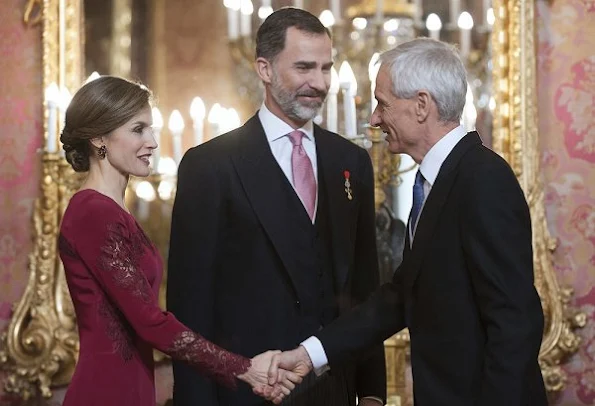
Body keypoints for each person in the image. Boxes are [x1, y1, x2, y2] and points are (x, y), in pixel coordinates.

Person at [266, 38, 548, 406]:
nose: (374, 119)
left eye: (383, 104)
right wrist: (309, 355)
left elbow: (514, 323)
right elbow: (400, 297)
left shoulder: (482, 180)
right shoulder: (439, 180)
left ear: (421, 105)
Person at [167, 7, 386, 406]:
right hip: (245, 395)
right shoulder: (210, 166)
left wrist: (371, 394)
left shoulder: (350, 162)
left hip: (334, 394)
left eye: (326, 68)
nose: (319, 83)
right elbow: (190, 311)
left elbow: (364, 291)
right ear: (264, 69)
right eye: (304, 68)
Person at [58, 76, 300, 406]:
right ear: (99, 138)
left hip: (133, 388)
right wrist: (243, 368)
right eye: (138, 129)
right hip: (106, 392)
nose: (153, 142)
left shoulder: (115, 211)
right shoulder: (91, 212)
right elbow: (148, 321)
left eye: (151, 129)